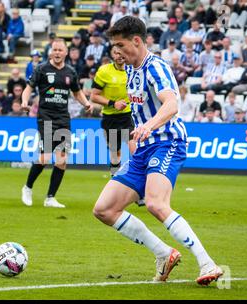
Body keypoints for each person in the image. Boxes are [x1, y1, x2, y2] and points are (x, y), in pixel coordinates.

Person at [95, 16, 222, 285]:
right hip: (143, 148)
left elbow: (171, 104)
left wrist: (149, 126)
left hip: (168, 141)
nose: (117, 52)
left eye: (120, 45)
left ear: (137, 41)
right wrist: (137, 134)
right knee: (104, 209)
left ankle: (207, 263)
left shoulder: (156, 68)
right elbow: (140, 108)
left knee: (155, 203)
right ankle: (163, 253)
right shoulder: (130, 69)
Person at [21, 38, 93, 208]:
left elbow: (77, 93)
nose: (57, 53)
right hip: (45, 116)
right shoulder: (41, 69)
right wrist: (25, 101)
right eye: (55, 50)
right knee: (45, 157)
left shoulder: (70, 72)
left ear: (66, 52)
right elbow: (29, 88)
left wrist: (86, 103)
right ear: (51, 52)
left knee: (62, 160)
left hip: (63, 118)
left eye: (61, 50)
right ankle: (28, 187)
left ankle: (50, 198)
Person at [90, 46, 136, 176]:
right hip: (110, 118)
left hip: (128, 116)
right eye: (116, 53)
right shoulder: (104, 71)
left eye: (122, 52)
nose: (119, 55)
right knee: (116, 153)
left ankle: (140, 184)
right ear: (112, 54)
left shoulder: (133, 69)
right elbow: (94, 96)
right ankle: (114, 180)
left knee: (135, 149)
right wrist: (113, 103)